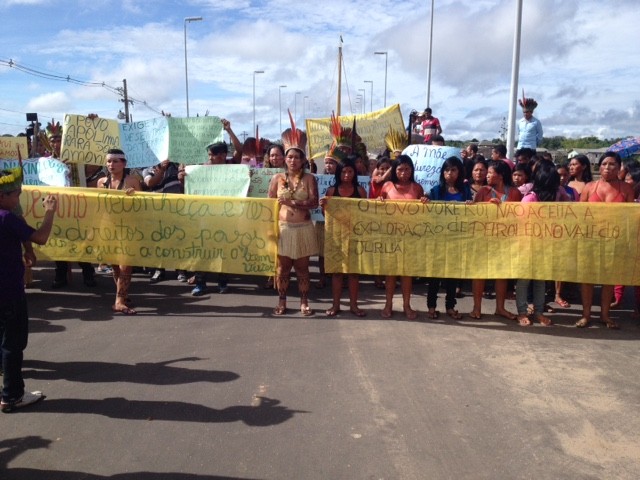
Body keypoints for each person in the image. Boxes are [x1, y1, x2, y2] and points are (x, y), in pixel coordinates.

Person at [1, 165, 57, 412]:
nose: (18, 198)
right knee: (13, 344)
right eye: (14, 194)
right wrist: (50, 212)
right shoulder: (6, 218)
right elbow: (41, 236)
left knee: (3, 343)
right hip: (9, 292)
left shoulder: (10, 218)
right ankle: (12, 395)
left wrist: (27, 250)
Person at [267, 112, 319, 316]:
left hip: (303, 229)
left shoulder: (310, 179)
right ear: (284, 159)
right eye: (289, 156)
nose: (293, 160)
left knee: (303, 269)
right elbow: (269, 205)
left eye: (297, 157)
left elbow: (314, 203)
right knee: (282, 269)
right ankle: (282, 301)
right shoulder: (276, 179)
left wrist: (292, 202)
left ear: (303, 159)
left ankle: (304, 301)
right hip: (283, 230)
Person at [576, 152, 635, 329]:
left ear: (619, 168)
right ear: (599, 167)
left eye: (612, 164)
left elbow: (631, 217)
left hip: (614, 242)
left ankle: (605, 315)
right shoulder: (589, 187)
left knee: (609, 278)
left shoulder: (626, 189)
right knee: (587, 279)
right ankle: (586, 315)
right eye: (604, 164)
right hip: (590, 240)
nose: (608, 168)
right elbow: (579, 215)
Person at [470, 160, 522, 320]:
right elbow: (474, 215)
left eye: (490, 173)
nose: (487, 175)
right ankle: (476, 308)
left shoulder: (514, 193)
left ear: (500, 176)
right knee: (479, 274)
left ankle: (500, 308)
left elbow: (519, 216)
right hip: (483, 239)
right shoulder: (483, 192)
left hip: (505, 241)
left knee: (502, 274)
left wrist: (502, 208)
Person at [424, 156, 472, 320]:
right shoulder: (436, 191)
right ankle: (431, 306)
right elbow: (426, 210)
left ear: (459, 172)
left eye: (453, 170)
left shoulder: (465, 191)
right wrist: (425, 201)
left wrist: (471, 206)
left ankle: (450, 306)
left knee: (452, 275)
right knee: (435, 275)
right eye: (446, 170)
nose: (449, 173)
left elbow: (472, 212)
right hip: (437, 239)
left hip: (457, 239)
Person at [515, 159, 563, 327]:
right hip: (527, 246)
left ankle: (538, 312)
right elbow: (520, 223)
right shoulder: (529, 199)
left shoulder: (558, 197)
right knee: (524, 280)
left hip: (546, 245)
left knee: (541, 280)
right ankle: (522, 312)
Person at [378, 155, 426, 320]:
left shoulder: (417, 188)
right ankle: (388, 304)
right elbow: (375, 211)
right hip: (391, 236)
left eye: (406, 169)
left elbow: (425, 213)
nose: (403, 172)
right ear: (394, 171)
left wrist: (426, 201)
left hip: (410, 237)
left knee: (407, 273)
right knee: (390, 273)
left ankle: (406, 305)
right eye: (399, 169)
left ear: (412, 170)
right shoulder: (386, 186)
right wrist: (378, 202)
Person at [319, 158, 367, 317]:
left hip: (354, 236)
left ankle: (354, 305)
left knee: (353, 273)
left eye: (350, 171)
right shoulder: (331, 191)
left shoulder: (360, 191)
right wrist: (323, 206)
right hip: (336, 236)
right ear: (338, 173)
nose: (347, 175)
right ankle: (336, 305)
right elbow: (326, 215)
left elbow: (365, 214)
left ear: (355, 173)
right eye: (343, 171)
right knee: (337, 273)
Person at [96, 149, 142, 315]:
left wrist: (134, 198)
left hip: (127, 228)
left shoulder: (132, 181)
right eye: (108, 161)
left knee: (125, 266)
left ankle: (119, 301)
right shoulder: (101, 182)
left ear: (124, 163)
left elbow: (145, 205)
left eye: (115, 161)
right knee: (116, 266)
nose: (111, 164)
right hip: (108, 228)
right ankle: (122, 295)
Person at [142, 159, 182, 284]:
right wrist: (162, 171)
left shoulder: (178, 166)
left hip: (176, 209)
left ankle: (180, 269)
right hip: (157, 210)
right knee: (158, 241)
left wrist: (182, 175)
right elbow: (150, 183)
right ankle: (159, 269)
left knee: (177, 240)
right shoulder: (148, 169)